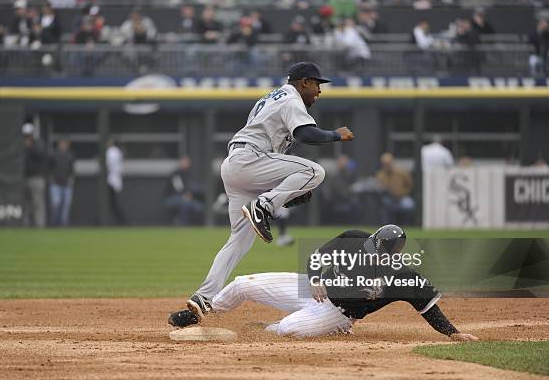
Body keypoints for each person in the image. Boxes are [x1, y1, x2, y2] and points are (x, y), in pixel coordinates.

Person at [173, 62, 354, 323]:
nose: (319, 91)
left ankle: (204, 297)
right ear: (303, 82)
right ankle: (264, 207)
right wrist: (335, 136)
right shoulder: (292, 98)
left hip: (236, 165)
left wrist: (286, 192)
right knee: (316, 172)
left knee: (239, 240)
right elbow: (306, 134)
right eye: (316, 84)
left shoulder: (271, 97)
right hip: (250, 159)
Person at [169, 225, 479, 342]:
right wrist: (315, 277)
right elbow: (318, 254)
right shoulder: (356, 239)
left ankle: (275, 326)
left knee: (285, 331)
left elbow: (427, 305)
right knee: (241, 284)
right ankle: (200, 313)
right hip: (311, 288)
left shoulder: (402, 277)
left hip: (337, 313)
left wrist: (453, 333)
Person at [375, 152, 414, 225]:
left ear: (392, 162)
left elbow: (410, 184)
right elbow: (379, 187)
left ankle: (407, 225)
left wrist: (404, 192)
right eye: (385, 164)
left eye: (388, 163)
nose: (387, 165)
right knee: (384, 206)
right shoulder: (381, 174)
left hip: (402, 197)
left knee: (409, 204)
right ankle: (387, 226)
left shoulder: (401, 172)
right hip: (389, 198)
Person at [164, 156, 204, 225]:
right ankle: (183, 224)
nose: (186, 164)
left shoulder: (190, 173)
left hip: (188, 197)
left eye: (187, 162)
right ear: (180, 163)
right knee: (185, 203)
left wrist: (190, 194)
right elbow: (178, 188)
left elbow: (195, 187)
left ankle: (193, 224)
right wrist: (185, 194)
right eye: (184, 162)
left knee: (198, 207)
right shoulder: (176, 174)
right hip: (172, 197)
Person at [22, 124, 47, 227]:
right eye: (25, 135)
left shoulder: (38, 143)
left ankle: (39, 225)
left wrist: (30, 146)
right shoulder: (20, 144)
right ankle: (24, 225)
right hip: (23, 178)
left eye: (29, 134)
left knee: (38, 203)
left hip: (37, 178)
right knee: (25, 204)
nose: (27, 136)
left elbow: (41, 154)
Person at [48, 139, 75, 226]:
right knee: (56, 204)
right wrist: (51, 179)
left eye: (65, 144)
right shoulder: (53, 154)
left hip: (66, 184)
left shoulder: (70, 155)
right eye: (62, 143)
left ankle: (64, 226)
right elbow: (49, 168)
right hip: (55, 183)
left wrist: (71, 180)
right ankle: (54, 224)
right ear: (59, 144)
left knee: (65, 207)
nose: (63, 145)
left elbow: (72, 170)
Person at [106, 139, 127, 225]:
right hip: (115, 180)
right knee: (110, 203)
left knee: (111, 203)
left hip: (111, 180)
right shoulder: (117, 151)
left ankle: (122, 220)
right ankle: (122, 220)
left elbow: (107, 165)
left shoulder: (111, 151)